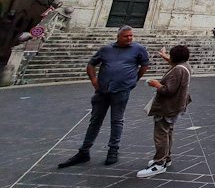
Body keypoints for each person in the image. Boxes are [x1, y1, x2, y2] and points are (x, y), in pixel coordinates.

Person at [58, 26, 150, 168]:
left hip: (122, 90)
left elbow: (144, 65)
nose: (130, 38)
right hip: (102, 90)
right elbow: (91, 64)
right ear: (118, 37)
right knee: (95, 120)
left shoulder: (138, 49)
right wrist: (94, 81)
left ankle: (113, 150)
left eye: (131, 36)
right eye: (126, 36)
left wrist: (133, 80)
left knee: (117, 120)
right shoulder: (106, 49)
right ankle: (84, 151)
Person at [137, 45, 192, 178]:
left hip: (167, 107)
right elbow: (177, 65)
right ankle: (166, 158)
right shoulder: (186, 66)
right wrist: (165, 56)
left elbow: (168, 90)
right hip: (176, 106)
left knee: (161, 134)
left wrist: (156, 84)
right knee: (168, 132)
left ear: (174, 57)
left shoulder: (178, 71)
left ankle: (159, 163)